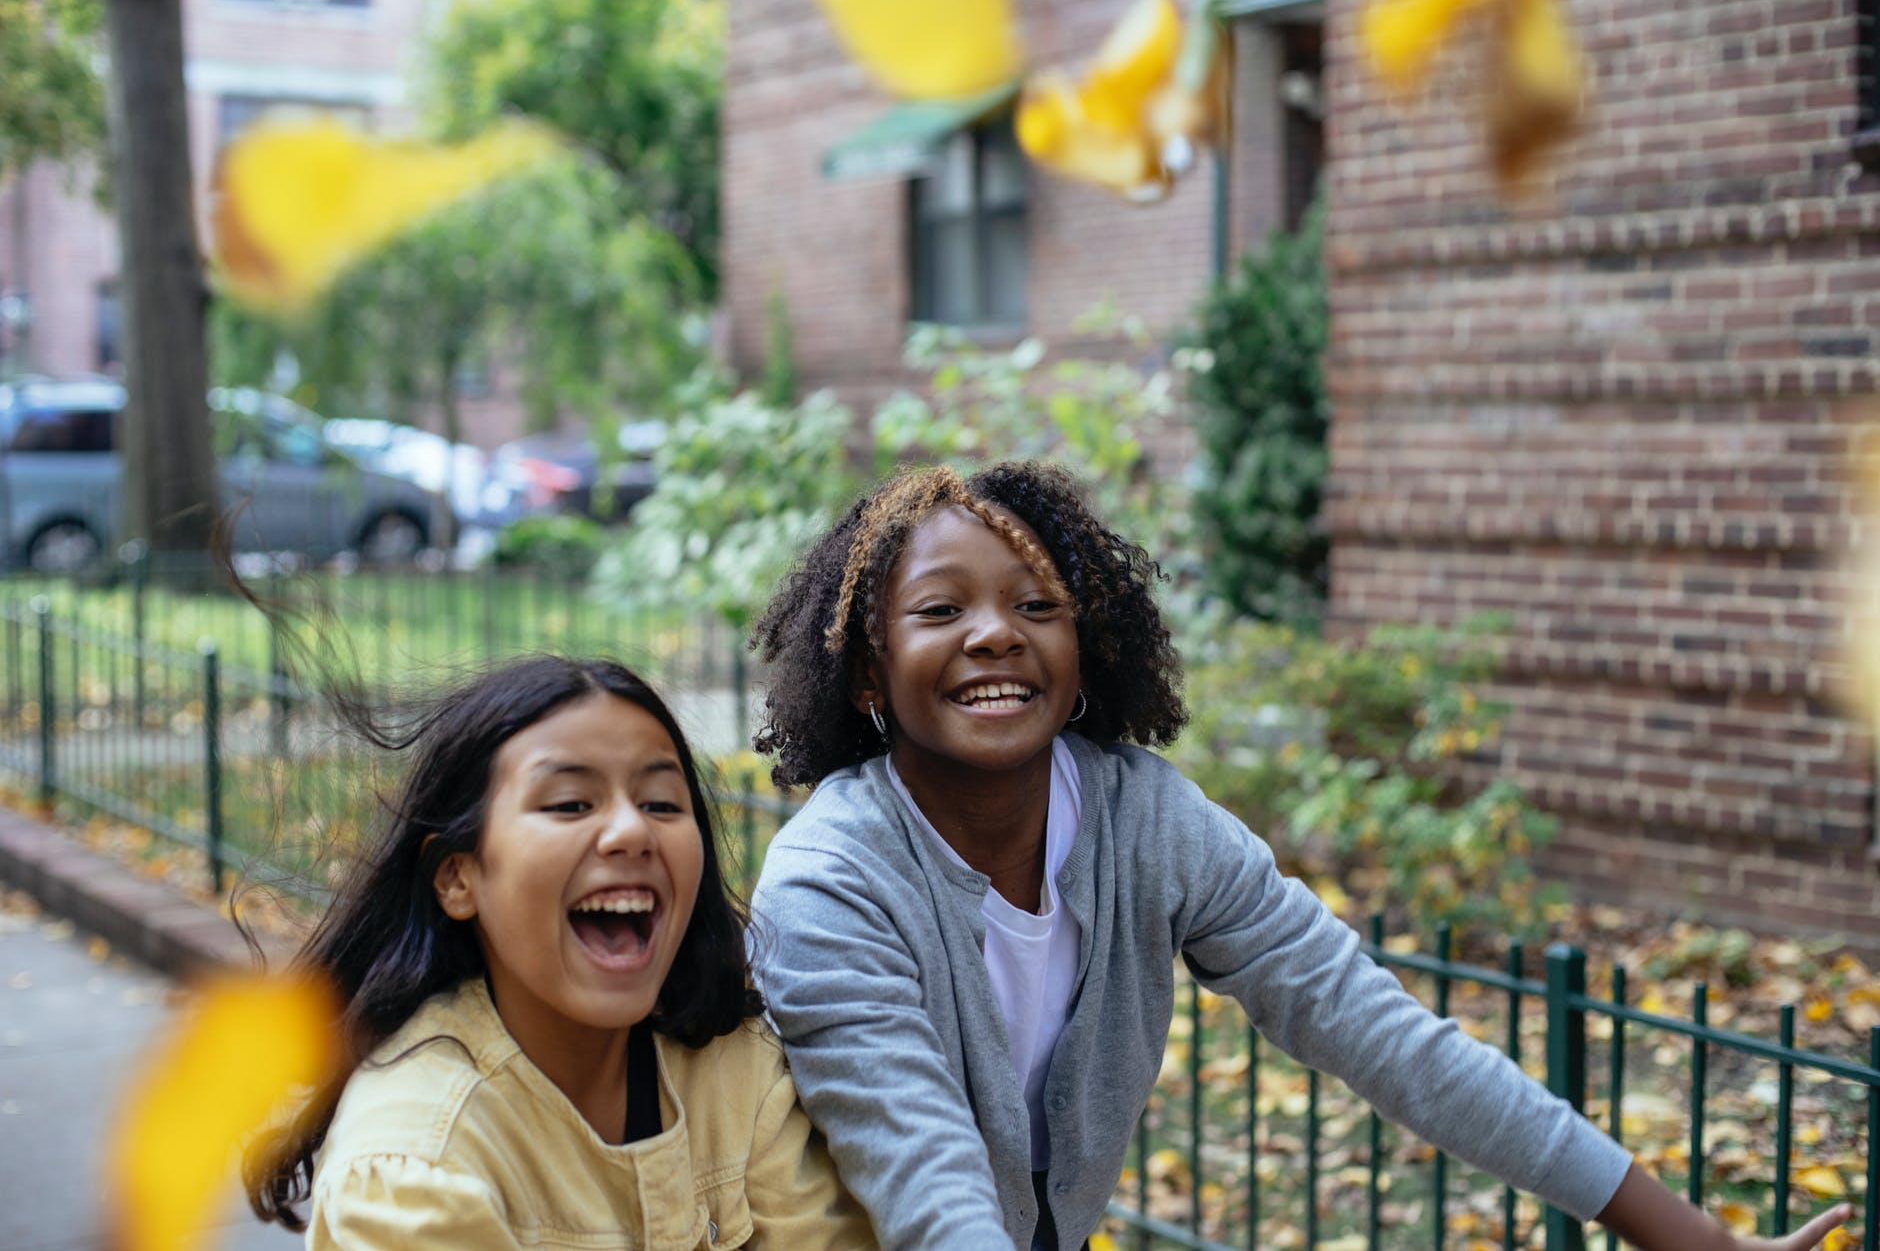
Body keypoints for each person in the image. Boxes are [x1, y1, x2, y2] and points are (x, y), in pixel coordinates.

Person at [746, 461, 1852, 1251]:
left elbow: (1377, 1029)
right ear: (864, 674)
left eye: (1037, 604)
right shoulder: (832, 883)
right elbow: (924, 1174)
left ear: (1084, 652)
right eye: (941, 608)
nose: (996, 631)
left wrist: (1680, 1232)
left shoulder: (1142, 819)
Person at [245, 655, 874, 1249]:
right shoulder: (414, 1166)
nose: (631, 830)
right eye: (570, 804)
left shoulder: (733, 1069)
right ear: (457, 877)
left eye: (660, 803)